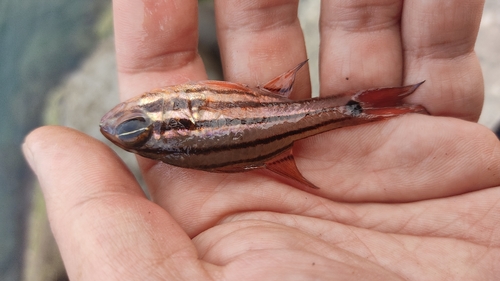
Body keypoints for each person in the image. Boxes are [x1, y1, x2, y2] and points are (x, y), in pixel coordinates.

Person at [22, 1, 500, 280]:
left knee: (350, 107)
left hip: (259, 128)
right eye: (137, 129)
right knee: (349, 106)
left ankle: (370, 107)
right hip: (260, 122)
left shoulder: (162, 141)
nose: (125, 122)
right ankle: (370, 106)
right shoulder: (168, 126)